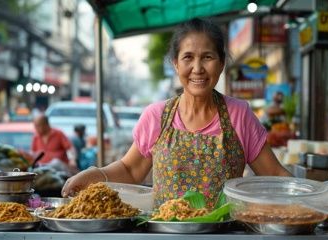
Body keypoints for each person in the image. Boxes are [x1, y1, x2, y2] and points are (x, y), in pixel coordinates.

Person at [62, 18, 292, 208]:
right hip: (166, 231)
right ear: (175, 64)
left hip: (224, 233)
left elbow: (273, 173)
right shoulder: (157, 116)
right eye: (188, 57)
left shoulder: (238, 114)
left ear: (221, 63)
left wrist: (312, 201)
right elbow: (131, 170)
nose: (198, 68)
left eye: (208, 57)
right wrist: (95, 174)